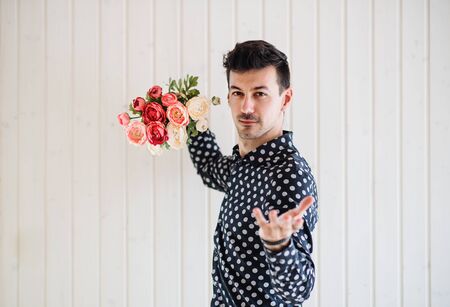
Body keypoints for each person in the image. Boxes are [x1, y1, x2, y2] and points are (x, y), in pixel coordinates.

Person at [187, 40, 319, 307]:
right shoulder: (242, 167)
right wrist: (186, 117)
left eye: (260, 94)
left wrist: (279, 245)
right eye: (237, 93)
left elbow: (299, 291)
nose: (246, 107)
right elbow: (209, 167)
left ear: (286, 98)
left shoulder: (288, 175)